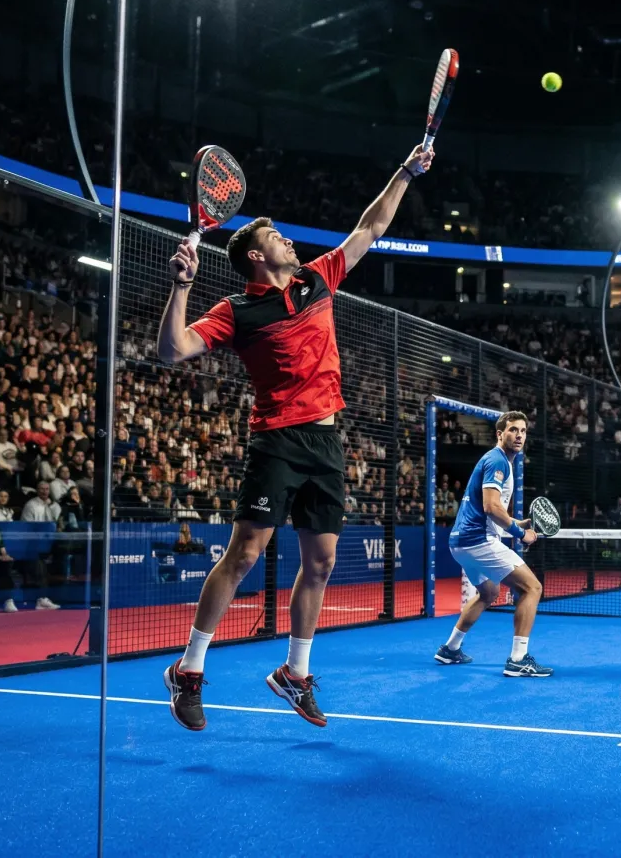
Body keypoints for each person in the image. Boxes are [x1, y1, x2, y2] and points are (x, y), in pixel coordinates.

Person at [156, 143, 435, 731]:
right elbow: (172, 351)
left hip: (326, 444)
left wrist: (405, 170)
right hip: (277, 442)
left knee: (323, 562)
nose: (290, 241)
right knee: (245, 556)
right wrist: (181, 287)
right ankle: (188, 669)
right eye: (279, 237)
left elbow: (372, 224)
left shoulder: (318, 279)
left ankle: (295, 674)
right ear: (258, 256)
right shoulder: (235, 311)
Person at [434, 411, 552, 677]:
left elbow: (489, 509)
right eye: (513, 430)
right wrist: (521, 535)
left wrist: (515, 523)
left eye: (523, 431)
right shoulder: (498, 461)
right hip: (478, 541)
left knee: (488, 593)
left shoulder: (497, 461)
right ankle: (518, 659)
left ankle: (450, 649)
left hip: (460, 543)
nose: (519, 435)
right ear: (500, 434)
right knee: (532, 588)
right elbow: (490, 507)